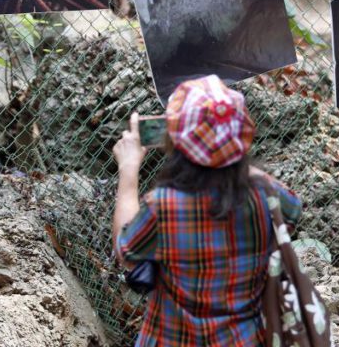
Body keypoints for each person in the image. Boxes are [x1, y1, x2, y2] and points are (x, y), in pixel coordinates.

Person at [112, 75, 302, 347]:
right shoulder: (266, 194)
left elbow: (126, 252)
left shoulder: (164, 205)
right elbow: (294, 210)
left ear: (177, 140)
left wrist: (128, 170)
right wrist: (229, 156)